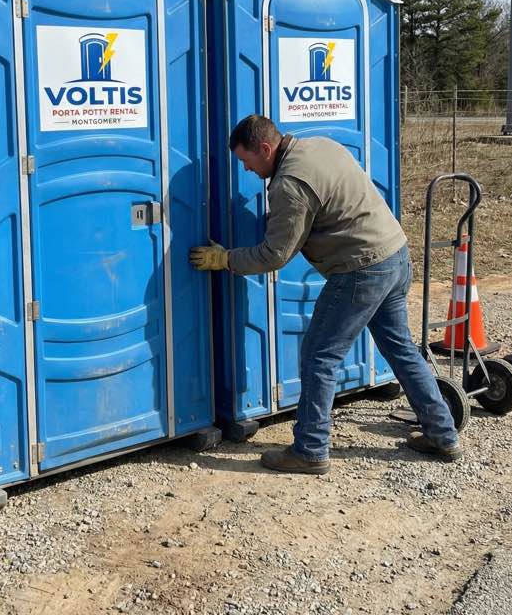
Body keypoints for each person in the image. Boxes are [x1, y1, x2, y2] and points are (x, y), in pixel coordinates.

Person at [189, 115, 460, 474]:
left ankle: (311, 449)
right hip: (395, 253)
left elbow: (275, 254)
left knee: (319, 356)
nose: (247, 169)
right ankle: (443, 434)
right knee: (401, 348)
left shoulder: (289, 184)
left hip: (361, 270)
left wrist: (225, 259)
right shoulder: (320, 145)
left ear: (266, 149)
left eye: (247, 161)